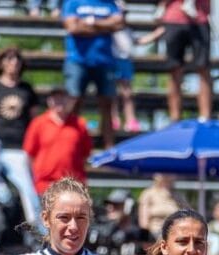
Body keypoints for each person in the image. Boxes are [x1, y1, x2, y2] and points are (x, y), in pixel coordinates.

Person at [0, 48, 41, 226]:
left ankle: (37, 230)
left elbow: (34, 119)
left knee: (28, 190)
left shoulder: (26, 89)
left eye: (16, 59)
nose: (13, 62)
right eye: (9, 58)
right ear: (2, 63)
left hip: (19, 149)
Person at [61, 0, 123, 149]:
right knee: (73, 102)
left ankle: (109, 147)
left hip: (105, 61)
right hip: (78, 60)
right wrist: (105, 26)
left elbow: (119, 24)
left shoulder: (109, 3)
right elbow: (72, 27)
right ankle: (70, 144)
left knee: (107, 105)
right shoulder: (73, 2)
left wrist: (90, 23)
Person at [23, 88, 92, 195]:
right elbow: (29, 155)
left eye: (63, 98)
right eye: (56, 98)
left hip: (73, 186)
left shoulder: (80, 124)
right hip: (45, 185)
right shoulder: (38, 123)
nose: (59, 101)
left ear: (70, 101)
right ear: (49, 101)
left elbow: (86, 154)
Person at [157, 0, 212, 120]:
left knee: (203, 68)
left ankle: (205, 117)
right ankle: (175, 118)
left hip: (199, 18)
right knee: (174, 70)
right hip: (173, 19)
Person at [89, 189, 153, 255]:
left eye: (116, 205)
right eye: (109, 204)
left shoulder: (141, 235)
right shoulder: (99, 232)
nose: (110, 208)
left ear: (128, 206)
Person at [137, 173, 183, 238]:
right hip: (155, 234)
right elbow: (144, 223)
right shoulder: (148, 194)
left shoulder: (178, 195)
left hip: (177, 233)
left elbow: (188, 215)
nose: (167, 176)